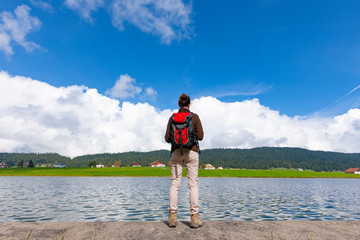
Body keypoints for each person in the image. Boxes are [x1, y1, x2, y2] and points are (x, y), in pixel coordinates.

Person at [164, 93, 204, 228]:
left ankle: (172, 218)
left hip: (176, 152)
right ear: (189, 104)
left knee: (175, 184)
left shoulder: (172, 118)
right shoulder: (195, 117)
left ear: (178, 104)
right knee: (192, 184)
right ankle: (194, 218)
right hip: (192, 152)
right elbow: (201, 136)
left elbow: (167, 138)